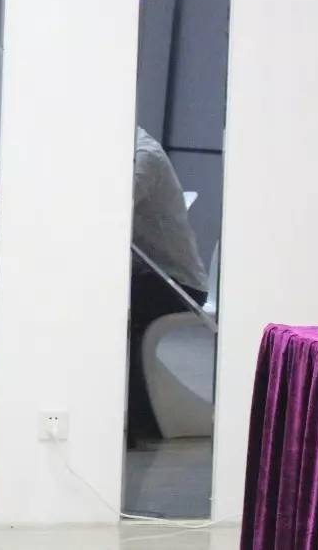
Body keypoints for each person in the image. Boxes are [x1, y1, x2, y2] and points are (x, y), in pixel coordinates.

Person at [126, 127, 208, 444]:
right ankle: (134, 416)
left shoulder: (144, 157)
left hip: (177, 281)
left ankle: (136, 421)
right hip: (151, 275)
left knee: (114, 318)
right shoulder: (128, 152)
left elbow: (112, 210)